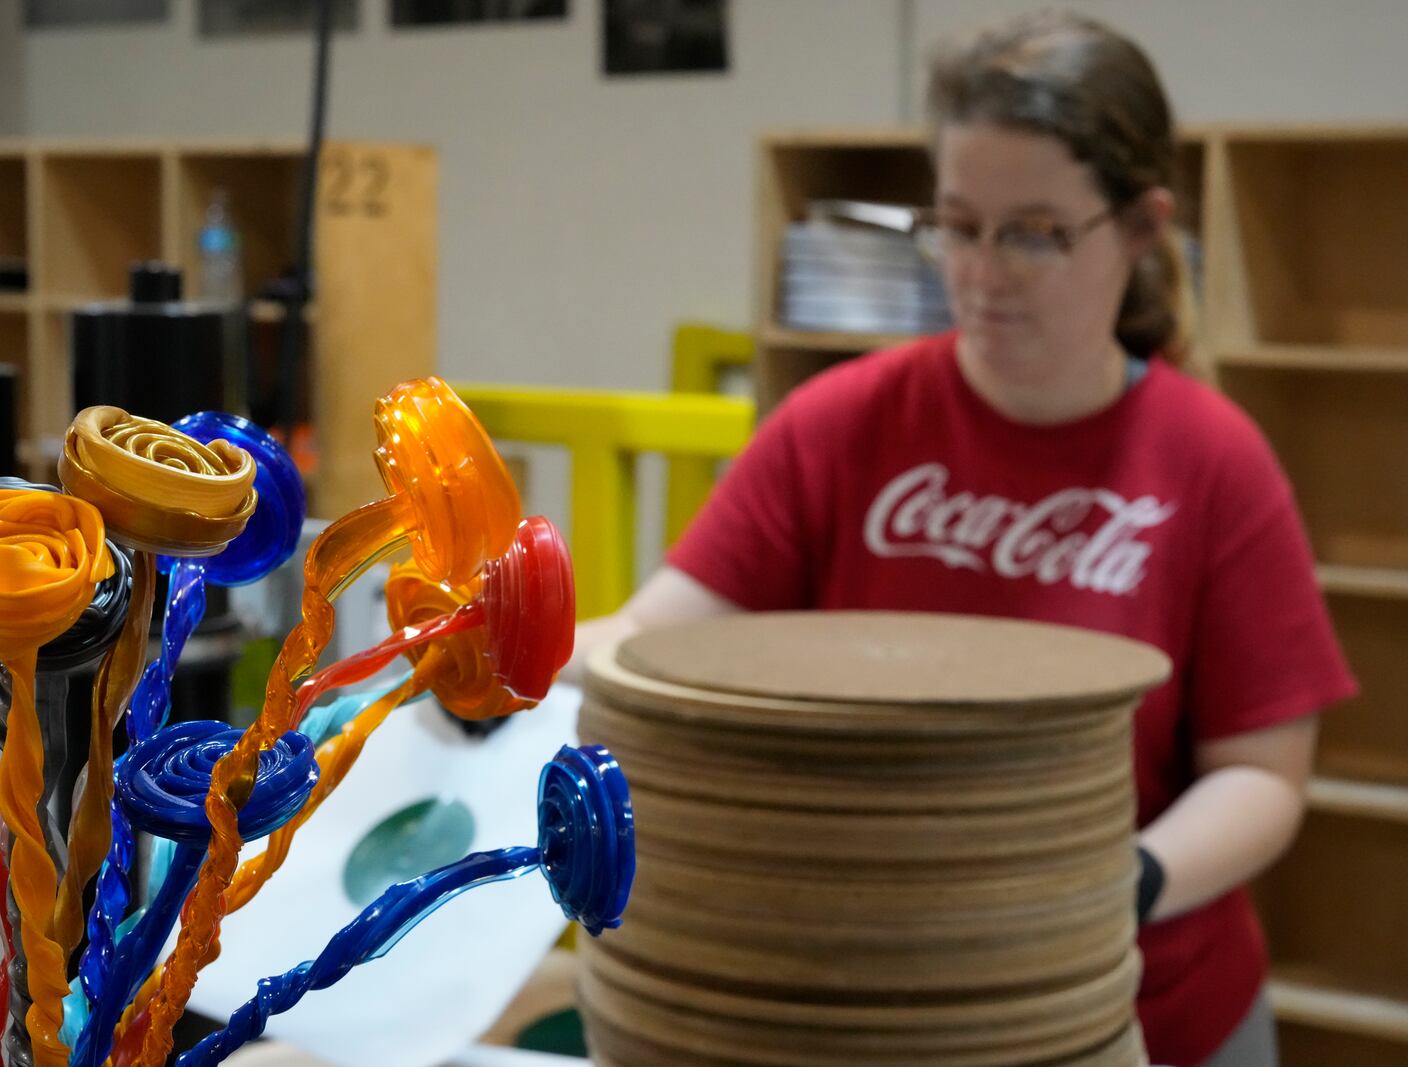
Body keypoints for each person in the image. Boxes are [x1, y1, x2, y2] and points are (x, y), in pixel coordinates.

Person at [568, 11, 1356, 1067]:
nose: (984, 273)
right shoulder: (840, 424)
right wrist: (497, 659)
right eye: (957, 224)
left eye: (1034, 232)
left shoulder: (1212, 458)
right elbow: (650, 646)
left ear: (1138, 226)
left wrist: (1112, 881)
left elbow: (1262, 772)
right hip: (865, 1001)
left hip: (1137, 1008)